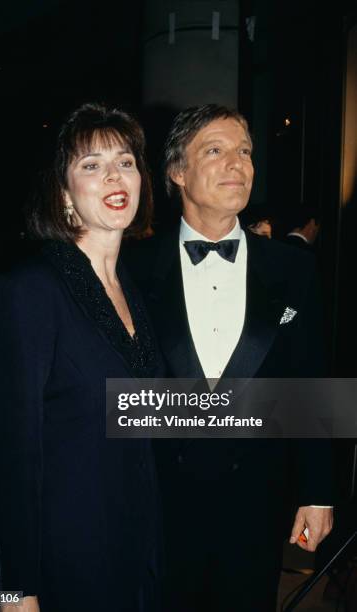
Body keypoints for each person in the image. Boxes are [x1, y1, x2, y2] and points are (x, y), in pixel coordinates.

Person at [128, 104, 333, 611]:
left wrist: (318, 491)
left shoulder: (294, 269)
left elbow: (312, 382)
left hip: (257, 504)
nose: (237, 164)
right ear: (177, 171)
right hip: (158, 505)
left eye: (244, 151)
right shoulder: (130, 269)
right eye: (215, 151)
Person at [0, 103, 163, 612]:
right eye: (91, 164)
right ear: (64, 195)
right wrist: (16, 588)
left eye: (125, 161)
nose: (113, 175)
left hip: (139, 549)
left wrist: (319, 417)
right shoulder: (25, 293)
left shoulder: (135, 292)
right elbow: (13, 455)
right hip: (66, 560)